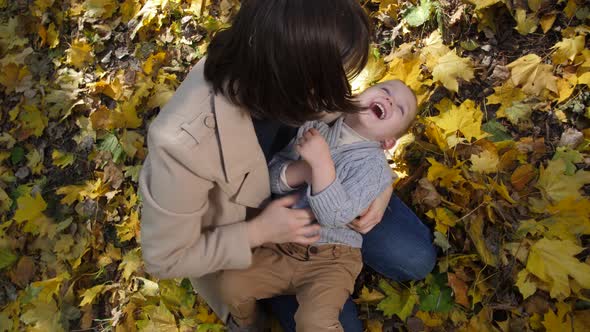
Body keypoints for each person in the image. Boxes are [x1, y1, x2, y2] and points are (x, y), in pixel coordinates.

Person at [138, 0, 436, 330]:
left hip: (335, 196)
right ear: (296, 81)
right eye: (333, 78)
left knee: (416, 258)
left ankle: (335, 273)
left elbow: (359, 134)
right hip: (269, 241)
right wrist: (259, 230)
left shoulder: (302, 64)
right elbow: (165, 257)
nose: (340, 88)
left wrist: (380, 186)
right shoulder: (180, 148)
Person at [219, 80, 418, 331]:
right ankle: (250, 324)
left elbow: (334, 216)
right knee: (231, 285)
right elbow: (270, 178)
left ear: (388, 142)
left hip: (332, 258)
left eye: (399, 108)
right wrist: (301, 170)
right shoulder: (314, 128)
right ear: (360, 94)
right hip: (281, 246)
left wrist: (322, 164)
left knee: (315, 323)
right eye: (385, 91)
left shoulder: (375, 169)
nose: (389, 100)